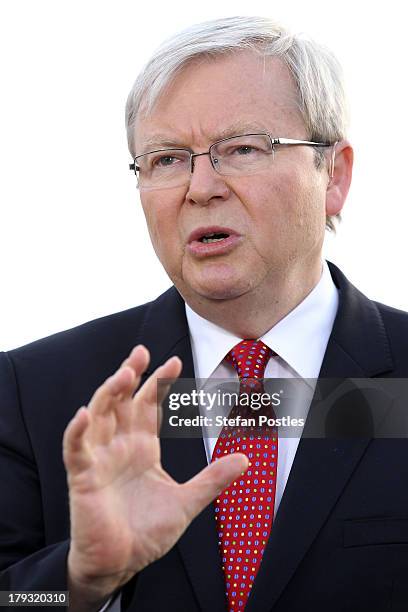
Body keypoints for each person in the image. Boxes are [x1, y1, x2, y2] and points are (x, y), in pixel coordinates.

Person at [1, 15, 408, 612]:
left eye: (241, 149)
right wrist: (80, 579)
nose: (200, 187)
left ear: (334, 176)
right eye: (166, 159)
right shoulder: (35, 391)